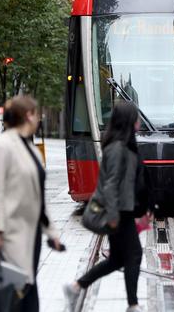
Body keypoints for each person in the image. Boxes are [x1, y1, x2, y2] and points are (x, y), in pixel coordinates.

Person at [0, 95, 63, 311]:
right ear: (28, 115)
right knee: (17, 294)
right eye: (37, 114)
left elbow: (38, 194)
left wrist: (51, 231)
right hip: (10, 234)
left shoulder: (30, 148)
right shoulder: (3, 147)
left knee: (26, 288)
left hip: (31, 232)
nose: (40, 119)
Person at [64, 101, 143, 312]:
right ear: (129, 121)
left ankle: (77, 286)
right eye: (136, 117)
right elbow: (110, 184)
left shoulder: (122, 145)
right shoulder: (117, 148)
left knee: (117, 259)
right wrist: (114, 215)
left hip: (122, 210)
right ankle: (133, 305)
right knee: (134, 254)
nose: (139, 121)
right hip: (118, 213)